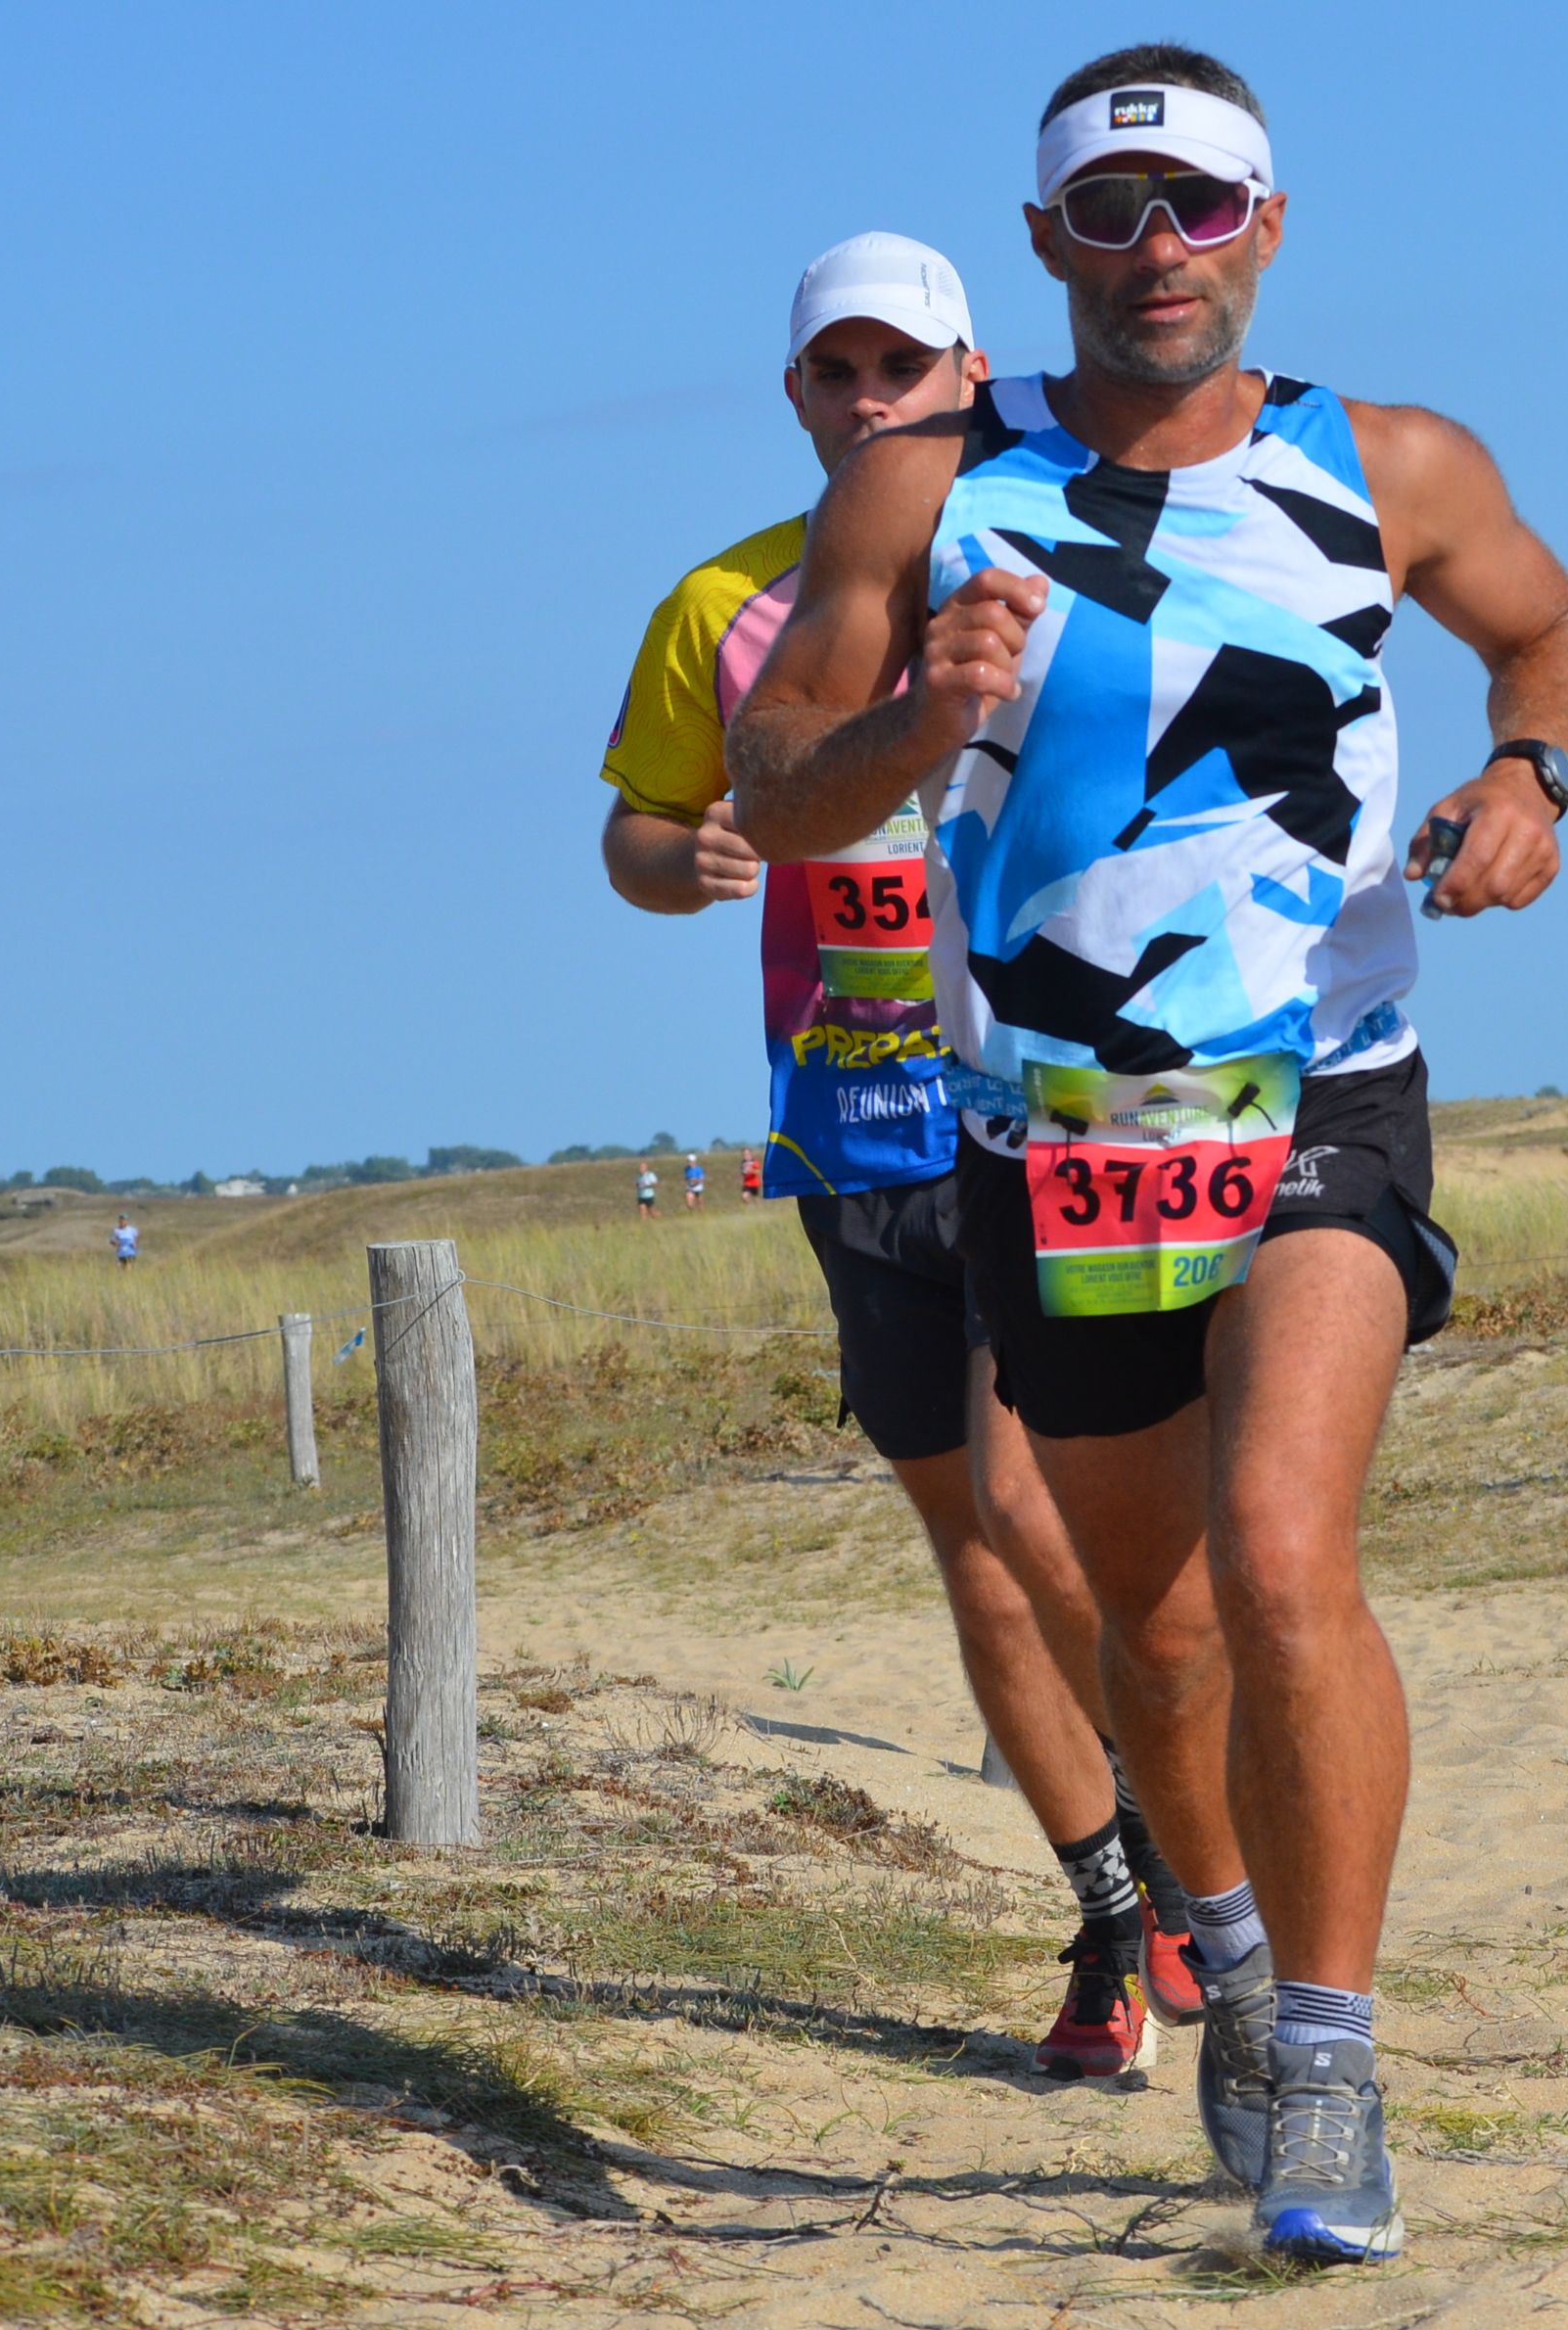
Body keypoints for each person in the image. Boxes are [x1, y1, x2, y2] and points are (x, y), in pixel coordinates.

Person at [726, 42, 1568, 2266]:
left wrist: (1529, 783)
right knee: (1163, 1616)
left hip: (1321, 1089)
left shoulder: (1388, 464)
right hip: (1059, 1127)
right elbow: (783, 788)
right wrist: (924, 714)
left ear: (1267, 227)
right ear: (1046, 243)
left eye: (1198, 205)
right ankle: (1222, 1948)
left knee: (1287, 1558)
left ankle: (1330, 2055)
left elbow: (1551, 640)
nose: (1158, 251)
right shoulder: (926, 484)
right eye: (1109, 216)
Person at [598, 231, 1193, 2076]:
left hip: (1048, 1105)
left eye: (905, 370)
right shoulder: (722, 603)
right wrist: (690, 860)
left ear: (970, 374)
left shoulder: (1068, 551)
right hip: (850, 1131)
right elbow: (636, 831)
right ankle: (1113, 1913)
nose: (872, 402)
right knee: (974, 1546)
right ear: (796, 396)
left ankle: (1188, 1852)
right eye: (838, 373)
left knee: (1040, 1509)